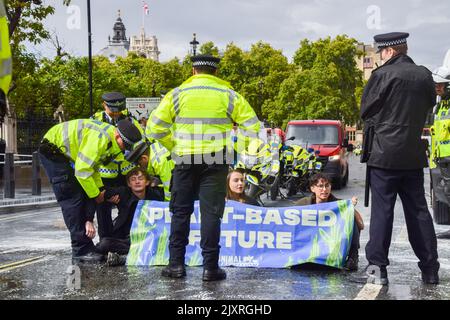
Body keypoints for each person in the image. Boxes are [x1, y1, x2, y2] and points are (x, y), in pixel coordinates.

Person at [147, 54, 260, 281]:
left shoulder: (177, 94)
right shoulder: (229, 95)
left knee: (180, 212)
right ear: (216, 73)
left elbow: (154, 128)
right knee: (211, 214)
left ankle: (176, 265)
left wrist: (174, 145)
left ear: (193, 71)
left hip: (184, 160)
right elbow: (253, 128)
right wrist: (237, 149)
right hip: (216, 160)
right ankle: (210, 268)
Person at [360, 32, 439, 285]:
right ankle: (430, 270)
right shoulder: (424, 74)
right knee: (419, 212)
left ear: (390, 51)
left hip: (383, 155)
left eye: (380, 52)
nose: (379, 57)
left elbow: (365, 110)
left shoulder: (382, 75)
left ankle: (378, 268)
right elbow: (429, 105)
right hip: (413, 154)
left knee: (383, 212)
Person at [38, 119, 142, 264]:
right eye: (125, 145)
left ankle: (86, 247)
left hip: (61, 153)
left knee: (83, 192)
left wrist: (101, 190)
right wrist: (96, 194)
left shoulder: (110, 140)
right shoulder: (99, 139)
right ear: (118, 136)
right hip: (52, 153)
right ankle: (81, 251)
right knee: (72, 199)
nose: (124, 149)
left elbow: (93, 168)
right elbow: (82, 171)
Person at [92, 92, 141, 241]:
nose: (115, 114)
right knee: (102, 209)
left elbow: (140, 143)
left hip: (126, 174)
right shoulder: (95, 121)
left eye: (118, 110)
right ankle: (105, 240)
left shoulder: (131, 120)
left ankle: (121, 238)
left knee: (128, 206)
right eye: (112, 110)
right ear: (104, 105)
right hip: (104, 175)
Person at [96, 167, 164, 266]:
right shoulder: (124, 193)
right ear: (129, 184)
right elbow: (102, 194)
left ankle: (124, 258)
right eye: (133, 179)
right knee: (104, 244)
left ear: (147, 182)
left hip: (148, 238)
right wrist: (108, 200)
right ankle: (134, 254)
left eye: (140, 179)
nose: (137, 182)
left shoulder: (155, 196)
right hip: (127, 238)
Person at [295, 173, 364, 271]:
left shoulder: (339, 204)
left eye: (327, 186)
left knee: (351, 220)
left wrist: (350, 208)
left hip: (330, 242)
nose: (324, 189)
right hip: (310, 242)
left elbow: (361, 225)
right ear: (312, 188)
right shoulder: (302, 204)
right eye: (320, 186)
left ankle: (353, 257)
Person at [429, 66, 450, 239]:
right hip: (442, 159)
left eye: (440, 84)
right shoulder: (440, 106)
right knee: (447, 193)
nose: (437, 87)